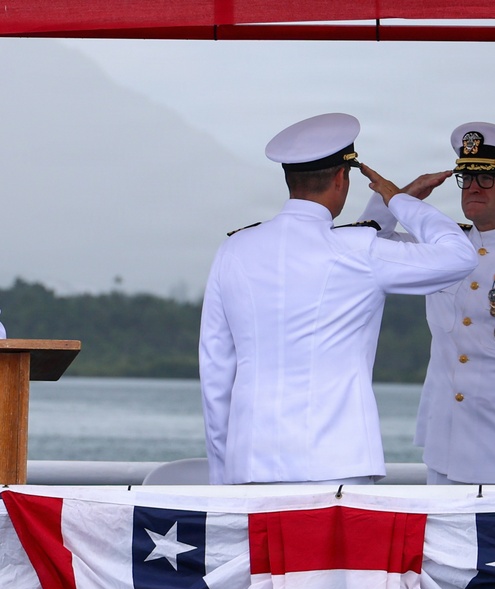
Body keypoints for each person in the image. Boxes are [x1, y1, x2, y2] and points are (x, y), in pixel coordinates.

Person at [199, 113, 478, 485]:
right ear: (341, 178)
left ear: (289, 179)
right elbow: (460, 256)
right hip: (338, 467)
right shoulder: (358, 252)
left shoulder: (234, 250)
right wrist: (400, 201)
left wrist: (223, 473)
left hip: (249, 466)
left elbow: (215, 371)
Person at [358, 122, 495, 484]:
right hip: (444, 448)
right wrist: (403, 200)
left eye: (488, 177)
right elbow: (362, 247)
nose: (474, 186)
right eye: (468, 176)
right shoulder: (438, 250)